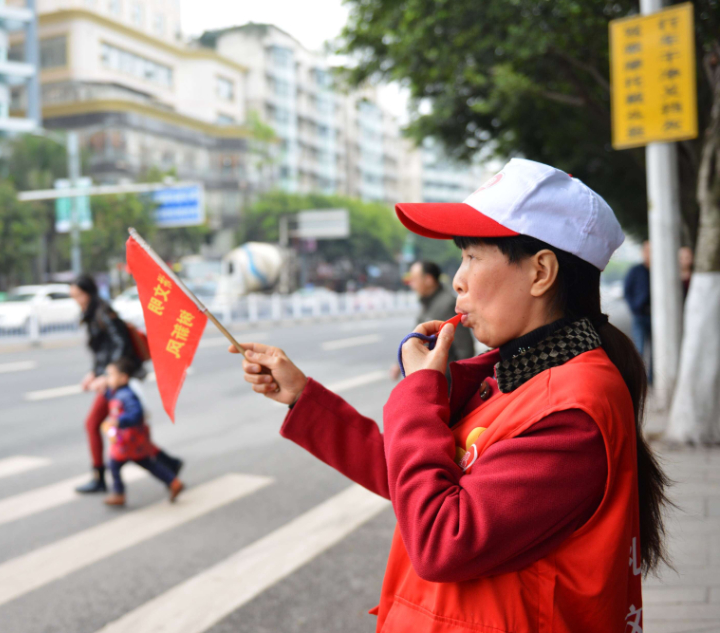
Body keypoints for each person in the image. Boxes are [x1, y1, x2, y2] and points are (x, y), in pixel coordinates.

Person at [232, 159, 668, 633]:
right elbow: (416, 479)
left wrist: (419, 393)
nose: (457, 279)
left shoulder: (571, 408)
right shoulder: (516, 375)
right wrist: (303, 398)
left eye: (472, 257)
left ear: (541, 272)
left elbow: (442, 538)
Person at [70, 275, 182, 494]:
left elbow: (121, 345)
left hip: (117, 379)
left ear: (89, 293)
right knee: (129, 433)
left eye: (79, 295)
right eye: (73, 296)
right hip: (112, 376)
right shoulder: (92, 313)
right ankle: (170, 463)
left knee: (94, 424)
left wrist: (107, 376)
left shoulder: (104, 312)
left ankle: (100, 477)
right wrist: (94, 373)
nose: (76, 300)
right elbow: (103, 351)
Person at [101, 357, 184, 506]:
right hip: (133, 441)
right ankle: (173, 482)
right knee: (147, 462)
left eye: (110, 375)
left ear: (123, 378)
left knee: (114, 463)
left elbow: (136, 413)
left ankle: (119, 494)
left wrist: (119, 421)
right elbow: (110, 395)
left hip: (127, 440)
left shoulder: (126, 395)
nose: (107, 378)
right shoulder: (118, 392)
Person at [391, 260, 476, 381]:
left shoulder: (447, 304)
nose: (411, 283)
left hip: (445, 380)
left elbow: (465, 348)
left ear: (428, 279)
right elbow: (415, 336)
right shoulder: (427, 303)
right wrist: (399, 363)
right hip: (431, 376)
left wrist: (459, 382)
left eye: (414, 279)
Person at [623, 241, 652, 381]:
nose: (650, 254)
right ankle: (638, 379)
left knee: (657, 350)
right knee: (639, 348)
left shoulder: (662, 270)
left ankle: (652, 379)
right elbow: (627, 291)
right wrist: (634, 307)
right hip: (640, 315)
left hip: (658, 317)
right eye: (647, 250)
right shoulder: (635, 271)